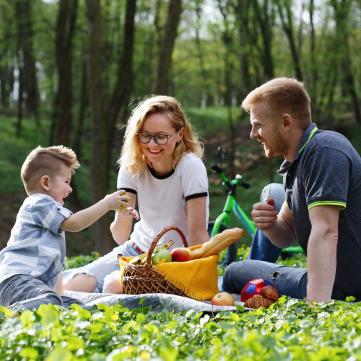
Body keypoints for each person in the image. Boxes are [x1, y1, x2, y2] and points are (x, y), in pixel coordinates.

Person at [223, 77, 361, 302]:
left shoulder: (323, 152)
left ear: (286, 122)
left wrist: (316, 306)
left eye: (258, 125)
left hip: (343, 285)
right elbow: (286, 233)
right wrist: (269, 225)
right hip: (340, 279)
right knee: (273, 191)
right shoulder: (300, 160)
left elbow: (326, 231)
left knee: (233, 272)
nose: (252, 134)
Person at [63, 95, 210, 294]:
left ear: (179, 134)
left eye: (161, 136)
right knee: (73, 286)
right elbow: (121, 236)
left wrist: (194, 277)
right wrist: (123, 213)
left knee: (112, 286)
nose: (152, 144)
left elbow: (198, 235)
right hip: (135, 250)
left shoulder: (190, 166)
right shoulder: (132, 165)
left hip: (173, 260)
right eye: (145, 135)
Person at [0, 145, 136, 311]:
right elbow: (75, 223)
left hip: (32, 287)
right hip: (16, 282)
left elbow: (56, 281)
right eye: (66, 182)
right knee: (50, 300)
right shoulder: (38, 202)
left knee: (76, 307)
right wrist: (107, 203)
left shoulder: (49, 218)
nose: (70, 189)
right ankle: (13, 315)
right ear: (45, 182)